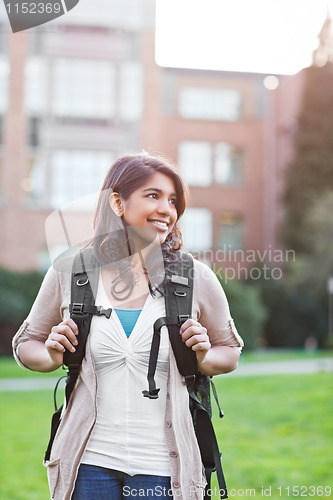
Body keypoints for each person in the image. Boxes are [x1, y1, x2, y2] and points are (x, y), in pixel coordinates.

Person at [12, 152, 244, 500]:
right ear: (118, 203)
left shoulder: (194, 276)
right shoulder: (71, 271)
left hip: (165, 469)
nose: (167, 208)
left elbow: (231, 351)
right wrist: (50, 355)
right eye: (153, 196)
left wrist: (204, 357)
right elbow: (26, 343)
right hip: (87, 465)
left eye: (173, 200)